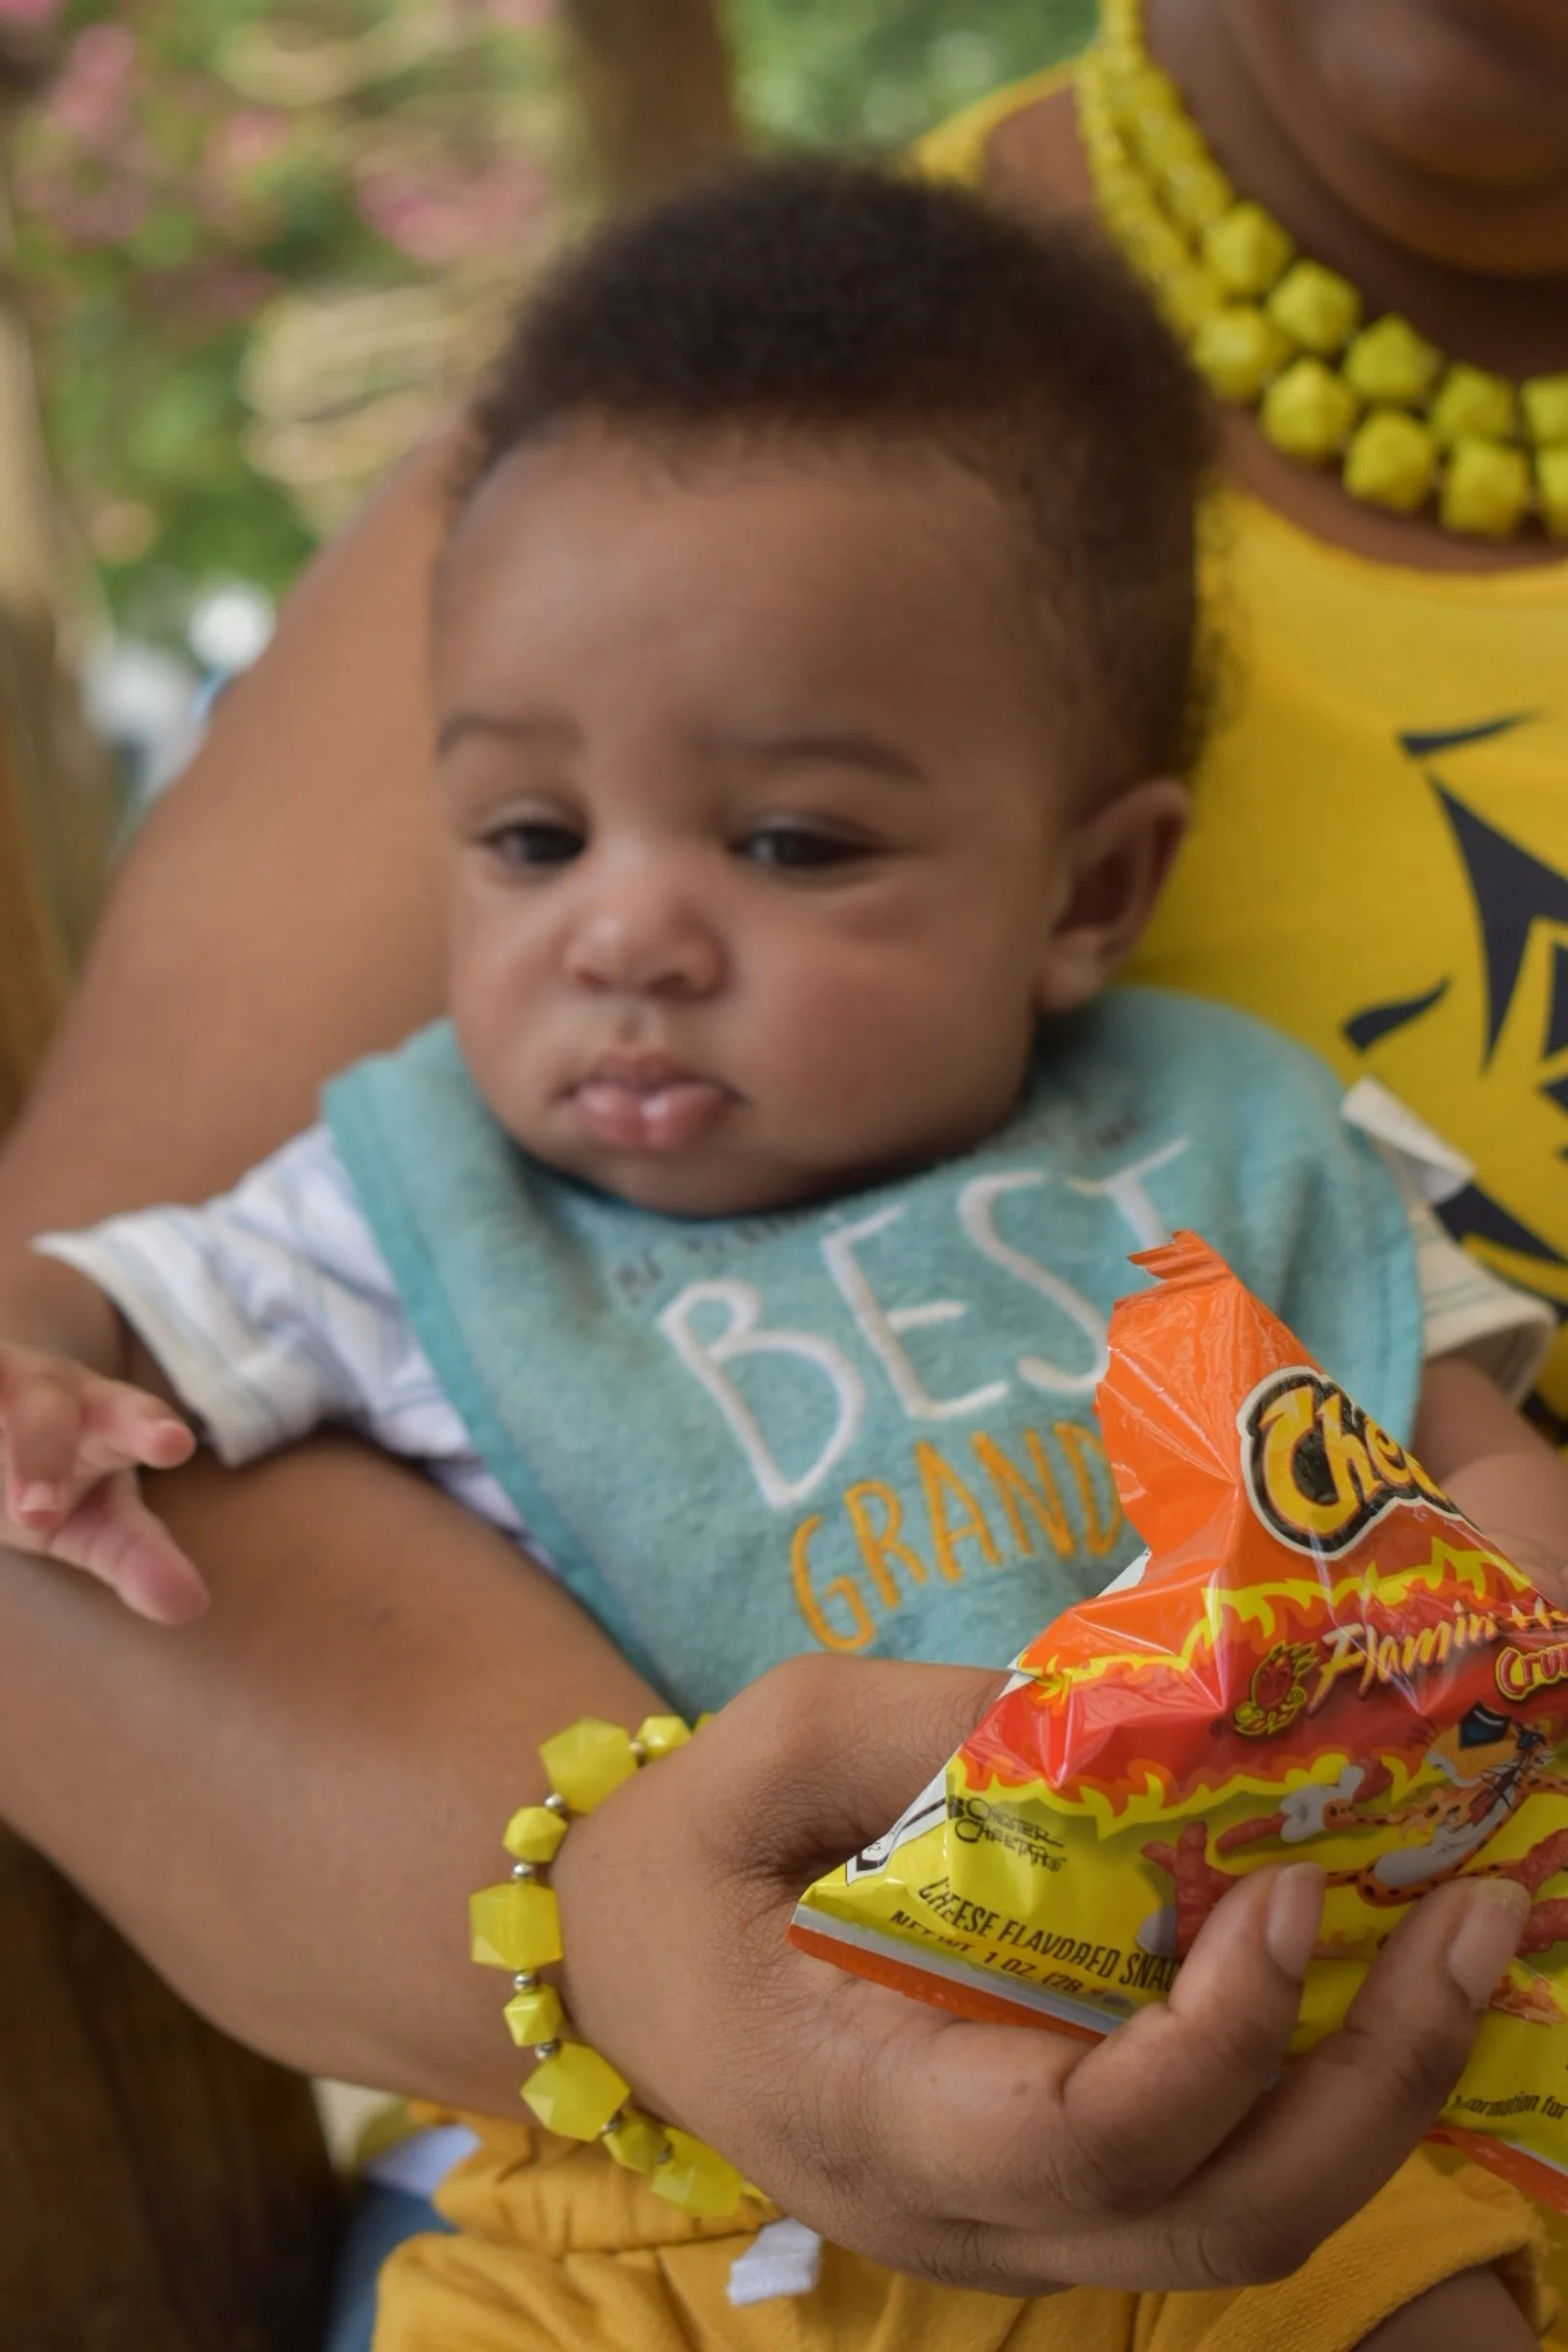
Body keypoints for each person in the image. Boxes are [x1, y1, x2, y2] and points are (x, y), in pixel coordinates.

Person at [0, 157, 1561, 2352]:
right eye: (531, 835)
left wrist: (1506, 1618)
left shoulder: (1214, 1137)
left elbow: (1471, 1461)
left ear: (1089, 895)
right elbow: (103, 1290)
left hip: (1249, 2094)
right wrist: (40, 1367)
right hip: (636, 2177)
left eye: (792, 841)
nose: (625, 930)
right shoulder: (414, 1208)